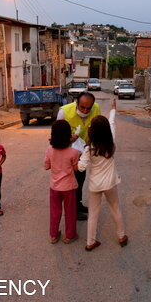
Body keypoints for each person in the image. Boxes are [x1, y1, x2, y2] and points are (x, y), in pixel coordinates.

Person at [78, 99, 128, 251]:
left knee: (93, 214)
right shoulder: (111, 143)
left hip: (95, 186)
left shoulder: (89, 149)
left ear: (91, 131)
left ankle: (90, 242)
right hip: (111, 184)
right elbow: (112, 122)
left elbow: (81, 168)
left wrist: (76, 162)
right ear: (106, 131)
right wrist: (113, 109)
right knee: (115, 209)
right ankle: (121, 236)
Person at [57, 92, 101, 221]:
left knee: (80, 180)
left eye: (88, 108)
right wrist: (68, 138)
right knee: (71, 183)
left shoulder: (96, 108)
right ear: (76, 104)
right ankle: (72, 210)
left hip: (83, 154)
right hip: (67, 155)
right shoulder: (64, 112)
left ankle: (78, 204)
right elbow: (56, 135)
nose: (85, 110)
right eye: (82, 107)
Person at [44, 120, 80, 244]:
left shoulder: (49, 149)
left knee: (55, 211)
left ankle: (53, 235)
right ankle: (70, 235)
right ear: (68, 135)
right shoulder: (74, 152)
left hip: (54, 187)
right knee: (70, 212)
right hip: (69, 187)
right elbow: (76, 168)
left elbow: (46, 166)